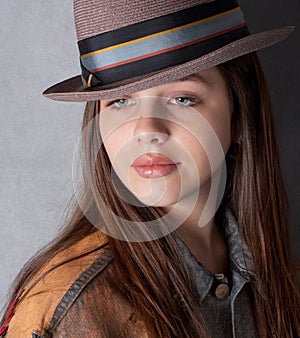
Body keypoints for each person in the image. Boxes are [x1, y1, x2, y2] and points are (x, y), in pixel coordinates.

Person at [1, 0, 299, 337]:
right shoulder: (71, 307)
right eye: (121, 100)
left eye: (182, 98)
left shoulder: (278, 275)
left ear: (241, 110)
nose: (146, 130)